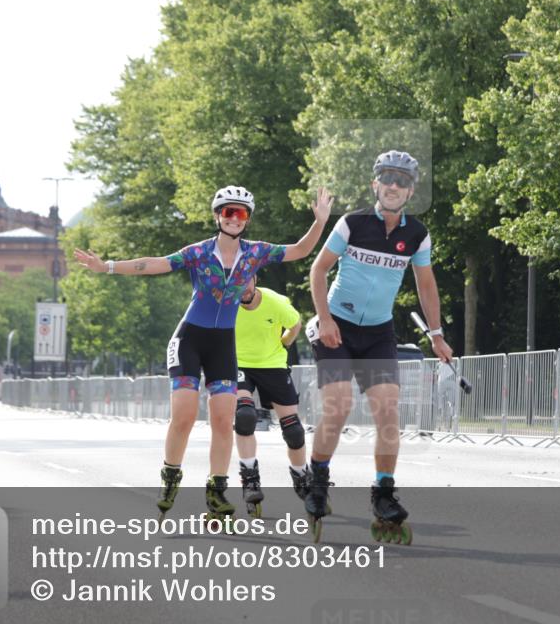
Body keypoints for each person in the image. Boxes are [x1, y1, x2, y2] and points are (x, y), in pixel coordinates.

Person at [75, 185, 332, 523]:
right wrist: (106, 266)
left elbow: (300, 250)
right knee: (183, 417)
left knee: (225, 421)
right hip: (190, 340)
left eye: (241, 213)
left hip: (223, 345)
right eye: (229, 212)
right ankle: (169, 478)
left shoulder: (255, 253)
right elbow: (154, 264)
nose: (235, 218)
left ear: (247, 219)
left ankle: (217, 490)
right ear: (217, 216)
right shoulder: (199, 252)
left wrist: (320, 222)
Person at [305, 150, 454, 544]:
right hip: (336, 325)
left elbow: (426, 285)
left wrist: (436, 334)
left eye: (401, 181)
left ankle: (383, 494)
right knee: (338, 408)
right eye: (386, 178)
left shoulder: (417, 234)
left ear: (410, 191)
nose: (392, 186)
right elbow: (318, 270)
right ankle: (317, 478)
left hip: (378, 333)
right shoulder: (351, 224)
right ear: (375, 184)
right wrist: (325, 319)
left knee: (388, 411)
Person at [232, 273, 308, 517]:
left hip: (272, 364)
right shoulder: (224, 303)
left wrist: (284, 343)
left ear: (254, 280)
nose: (242, 288)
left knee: (294, 430)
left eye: (246, 281)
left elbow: (296, 323)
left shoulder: (274, 302)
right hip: (238, 364)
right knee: (245, 416)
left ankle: (300, 474)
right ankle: (250, 478)